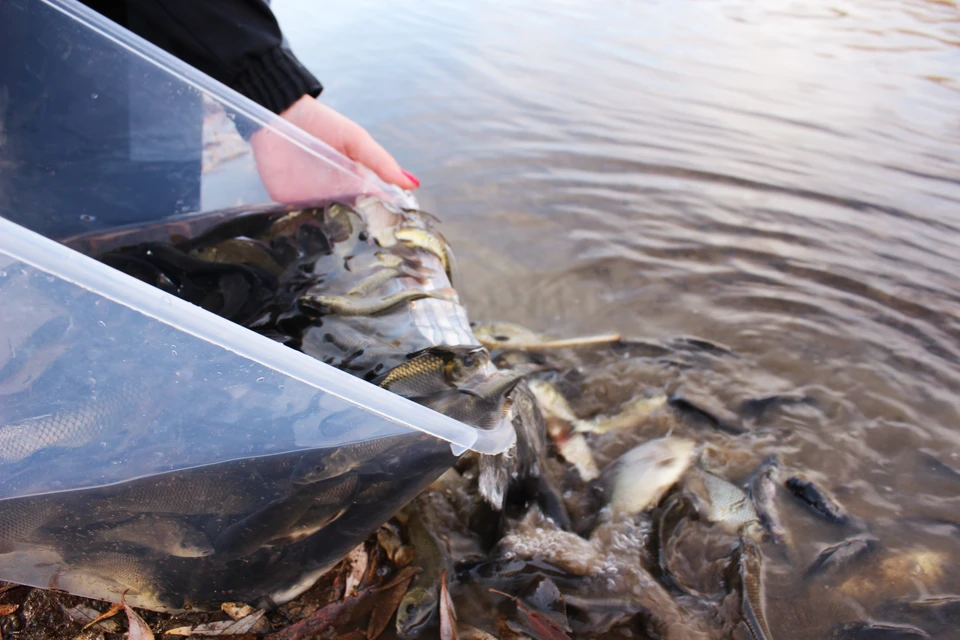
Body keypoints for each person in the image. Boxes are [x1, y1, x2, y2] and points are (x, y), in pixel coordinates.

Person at [0, 0, 419, 239]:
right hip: (73, 67)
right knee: (110, 254)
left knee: (157, 247)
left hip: (143, 63)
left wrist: (268, 97)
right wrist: (270, 88)